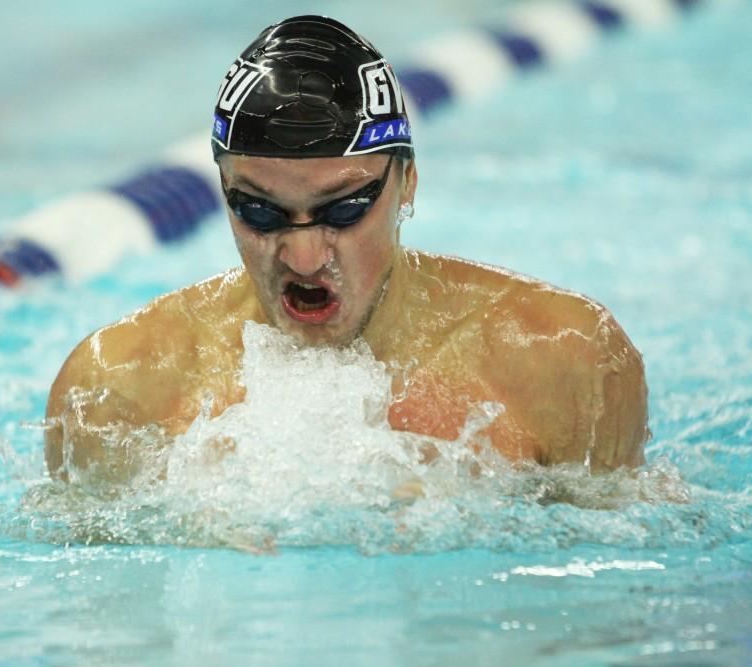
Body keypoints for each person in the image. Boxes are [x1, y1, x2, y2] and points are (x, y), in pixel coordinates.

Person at [44, 15, 649, 485]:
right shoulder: (119, 390)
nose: (304, 258)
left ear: (408, 180)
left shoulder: (562, 361)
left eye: (344, 209)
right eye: (259, 210)